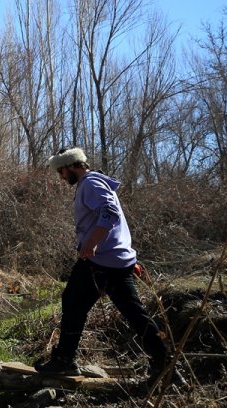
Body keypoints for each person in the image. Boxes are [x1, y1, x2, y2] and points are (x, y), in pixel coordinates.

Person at [35, 147, 187, 389]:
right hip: (118, 262)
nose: (61, 177)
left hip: (100, 263)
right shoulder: (97, 182)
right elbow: (113, 221)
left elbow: (110, 213)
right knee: (136, 316)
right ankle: (167, 367)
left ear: (72, 165)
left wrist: (92, 244)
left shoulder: (90, 183)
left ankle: (64, 360)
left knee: (73, 302)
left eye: (61, 171)